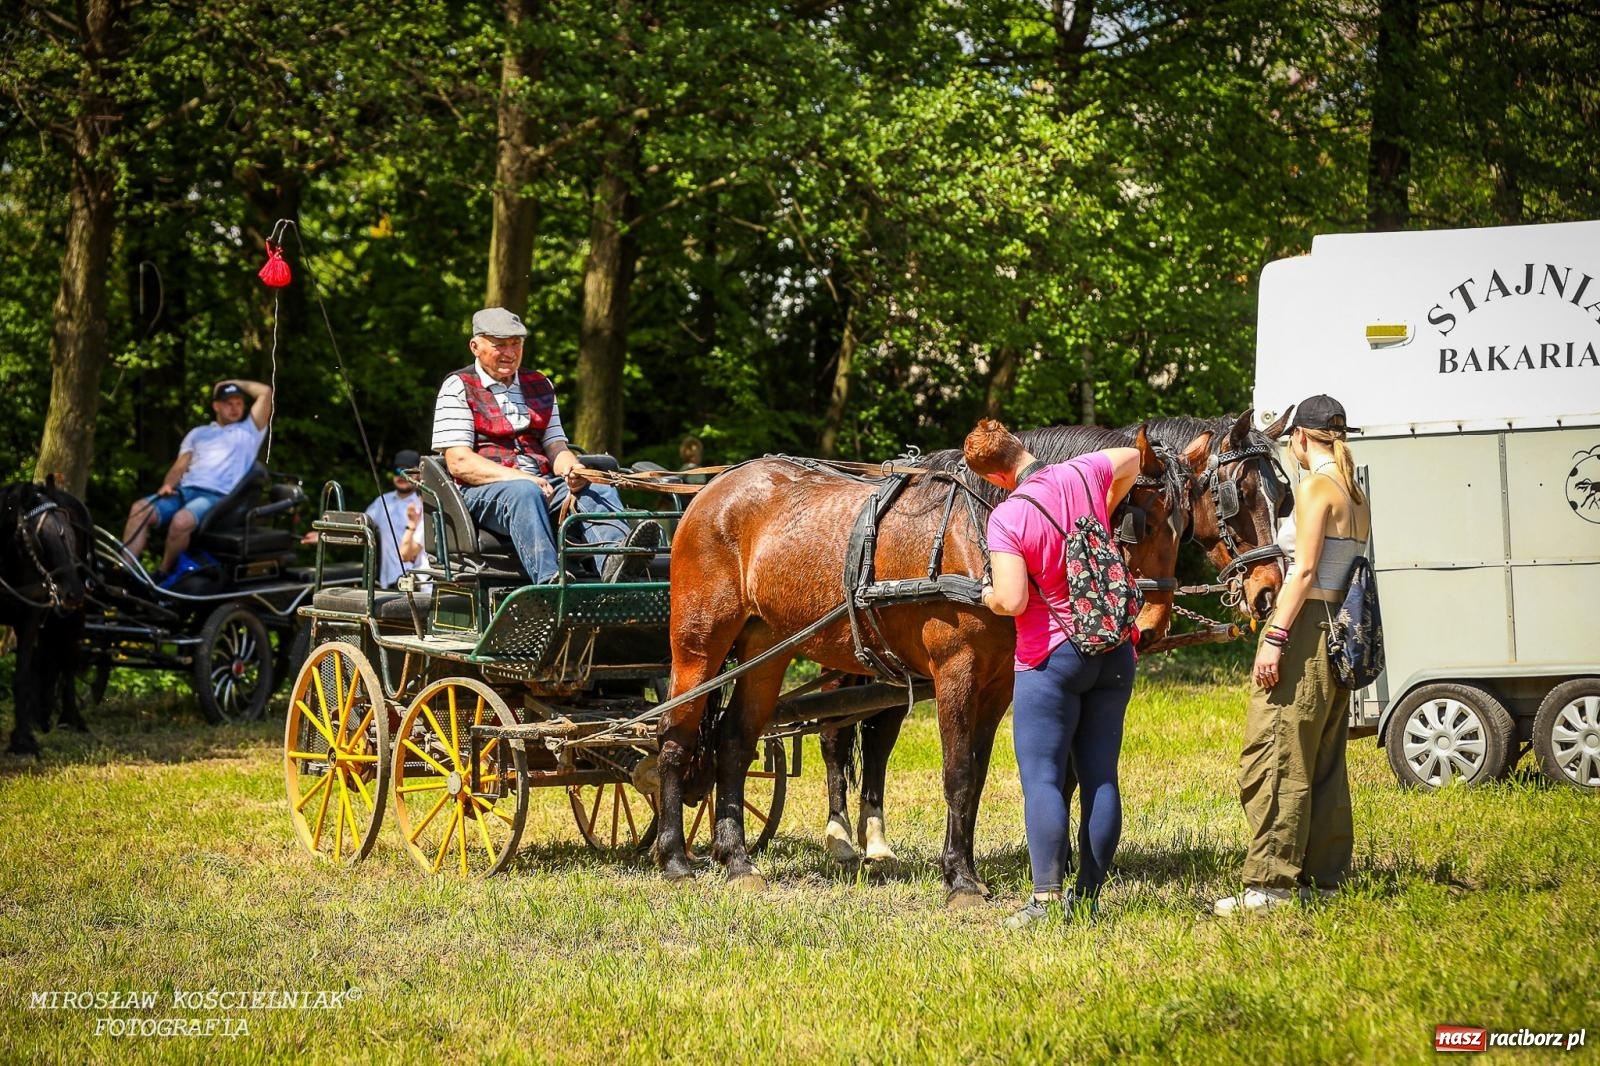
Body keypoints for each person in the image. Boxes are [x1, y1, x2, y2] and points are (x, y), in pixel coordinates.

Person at [965, 419, 1143, 927]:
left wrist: (987, 595)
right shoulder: (1083, 473)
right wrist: (1105, 508)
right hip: (1114, 648)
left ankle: (1045, 901)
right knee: (1100, 776)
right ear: (1022, 449)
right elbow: (1131, 458)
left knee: (1042, 779)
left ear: (994, 477)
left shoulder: (1008, 516)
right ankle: (1087, 898)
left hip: (1052, 657)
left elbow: (1014, 598)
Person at [1215, 394, 1370, 916]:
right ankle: (1323, 879)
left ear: (1302, 438)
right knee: (1324, 757)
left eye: (1289, 441)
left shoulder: (1314, 489)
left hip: (1305, 626)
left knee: (1277, 751)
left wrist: (1276, 636)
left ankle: (1269, 885)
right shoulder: (1356, 491)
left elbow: (1302, 572)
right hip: (1340, 631)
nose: (1290, 450)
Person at [431, 307, 658, 583]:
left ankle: (619, 564)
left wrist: (572, 470)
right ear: (475, 346)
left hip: (543, 484)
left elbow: (555, 447)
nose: (510, 352)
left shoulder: (540, 384)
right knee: (524, 491)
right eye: (500, 345)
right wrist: (522, 477)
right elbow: (459, 462)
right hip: (481, 492)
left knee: (596, 483)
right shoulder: (458, 386)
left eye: (516, 344)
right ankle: (551, 580)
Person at [122, 379, 273, 578]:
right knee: (139, 510)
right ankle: (125, 572)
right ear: (216, 406)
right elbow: (180, 465)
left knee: (181, 521)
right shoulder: (199, 433)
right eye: (228, 403)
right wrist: (168, 484)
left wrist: (232, 382)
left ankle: (163, 573)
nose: (235, 408)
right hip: (184, 491)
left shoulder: (249, 431)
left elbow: (265, 392)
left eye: (239, 403)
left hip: (216, 497)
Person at [365, 449, 431, 589]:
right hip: (387, 581)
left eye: (407, 471)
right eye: (397, 470)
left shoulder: (426, 504)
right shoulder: (382, 501)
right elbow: (361, 525)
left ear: (418, 475)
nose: (401, 475)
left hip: (416, 583)